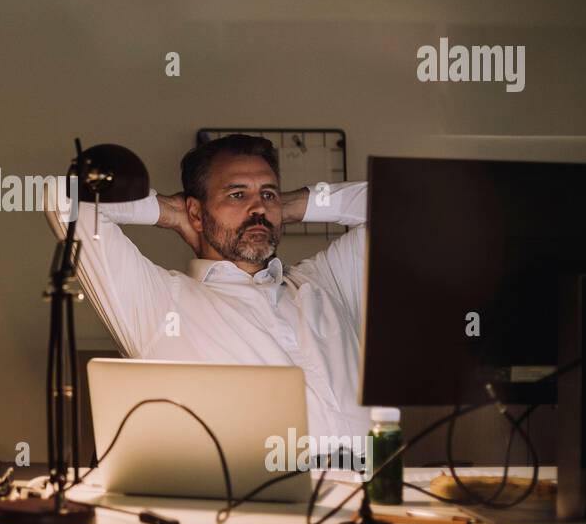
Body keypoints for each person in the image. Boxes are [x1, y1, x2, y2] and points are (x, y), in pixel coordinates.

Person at [46, 133, 370, 441]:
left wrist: (289, 206)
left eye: (268, 194)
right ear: (196, 213)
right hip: (265, 496)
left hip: (378, 489)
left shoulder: (325, 282)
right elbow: (64, 199)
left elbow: (402, 201)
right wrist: (170, 212)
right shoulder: (161, 305)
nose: (258, 209)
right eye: (237, 194)